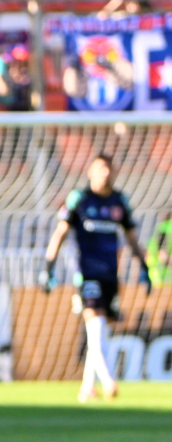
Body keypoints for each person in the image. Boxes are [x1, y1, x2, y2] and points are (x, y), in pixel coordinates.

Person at [42, 155, 151, 402]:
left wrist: (145, 266)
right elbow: (60, 233)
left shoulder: (119, 201)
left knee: (100, 332)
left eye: (109, 169)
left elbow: (132, 238)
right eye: (101, 169)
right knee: (96, 327)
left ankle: (86, 388)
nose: (106, 174)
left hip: (111, 276)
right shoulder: (79, 199)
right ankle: (109, 380)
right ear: (90, 172)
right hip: (86, 274)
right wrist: (48, 267)